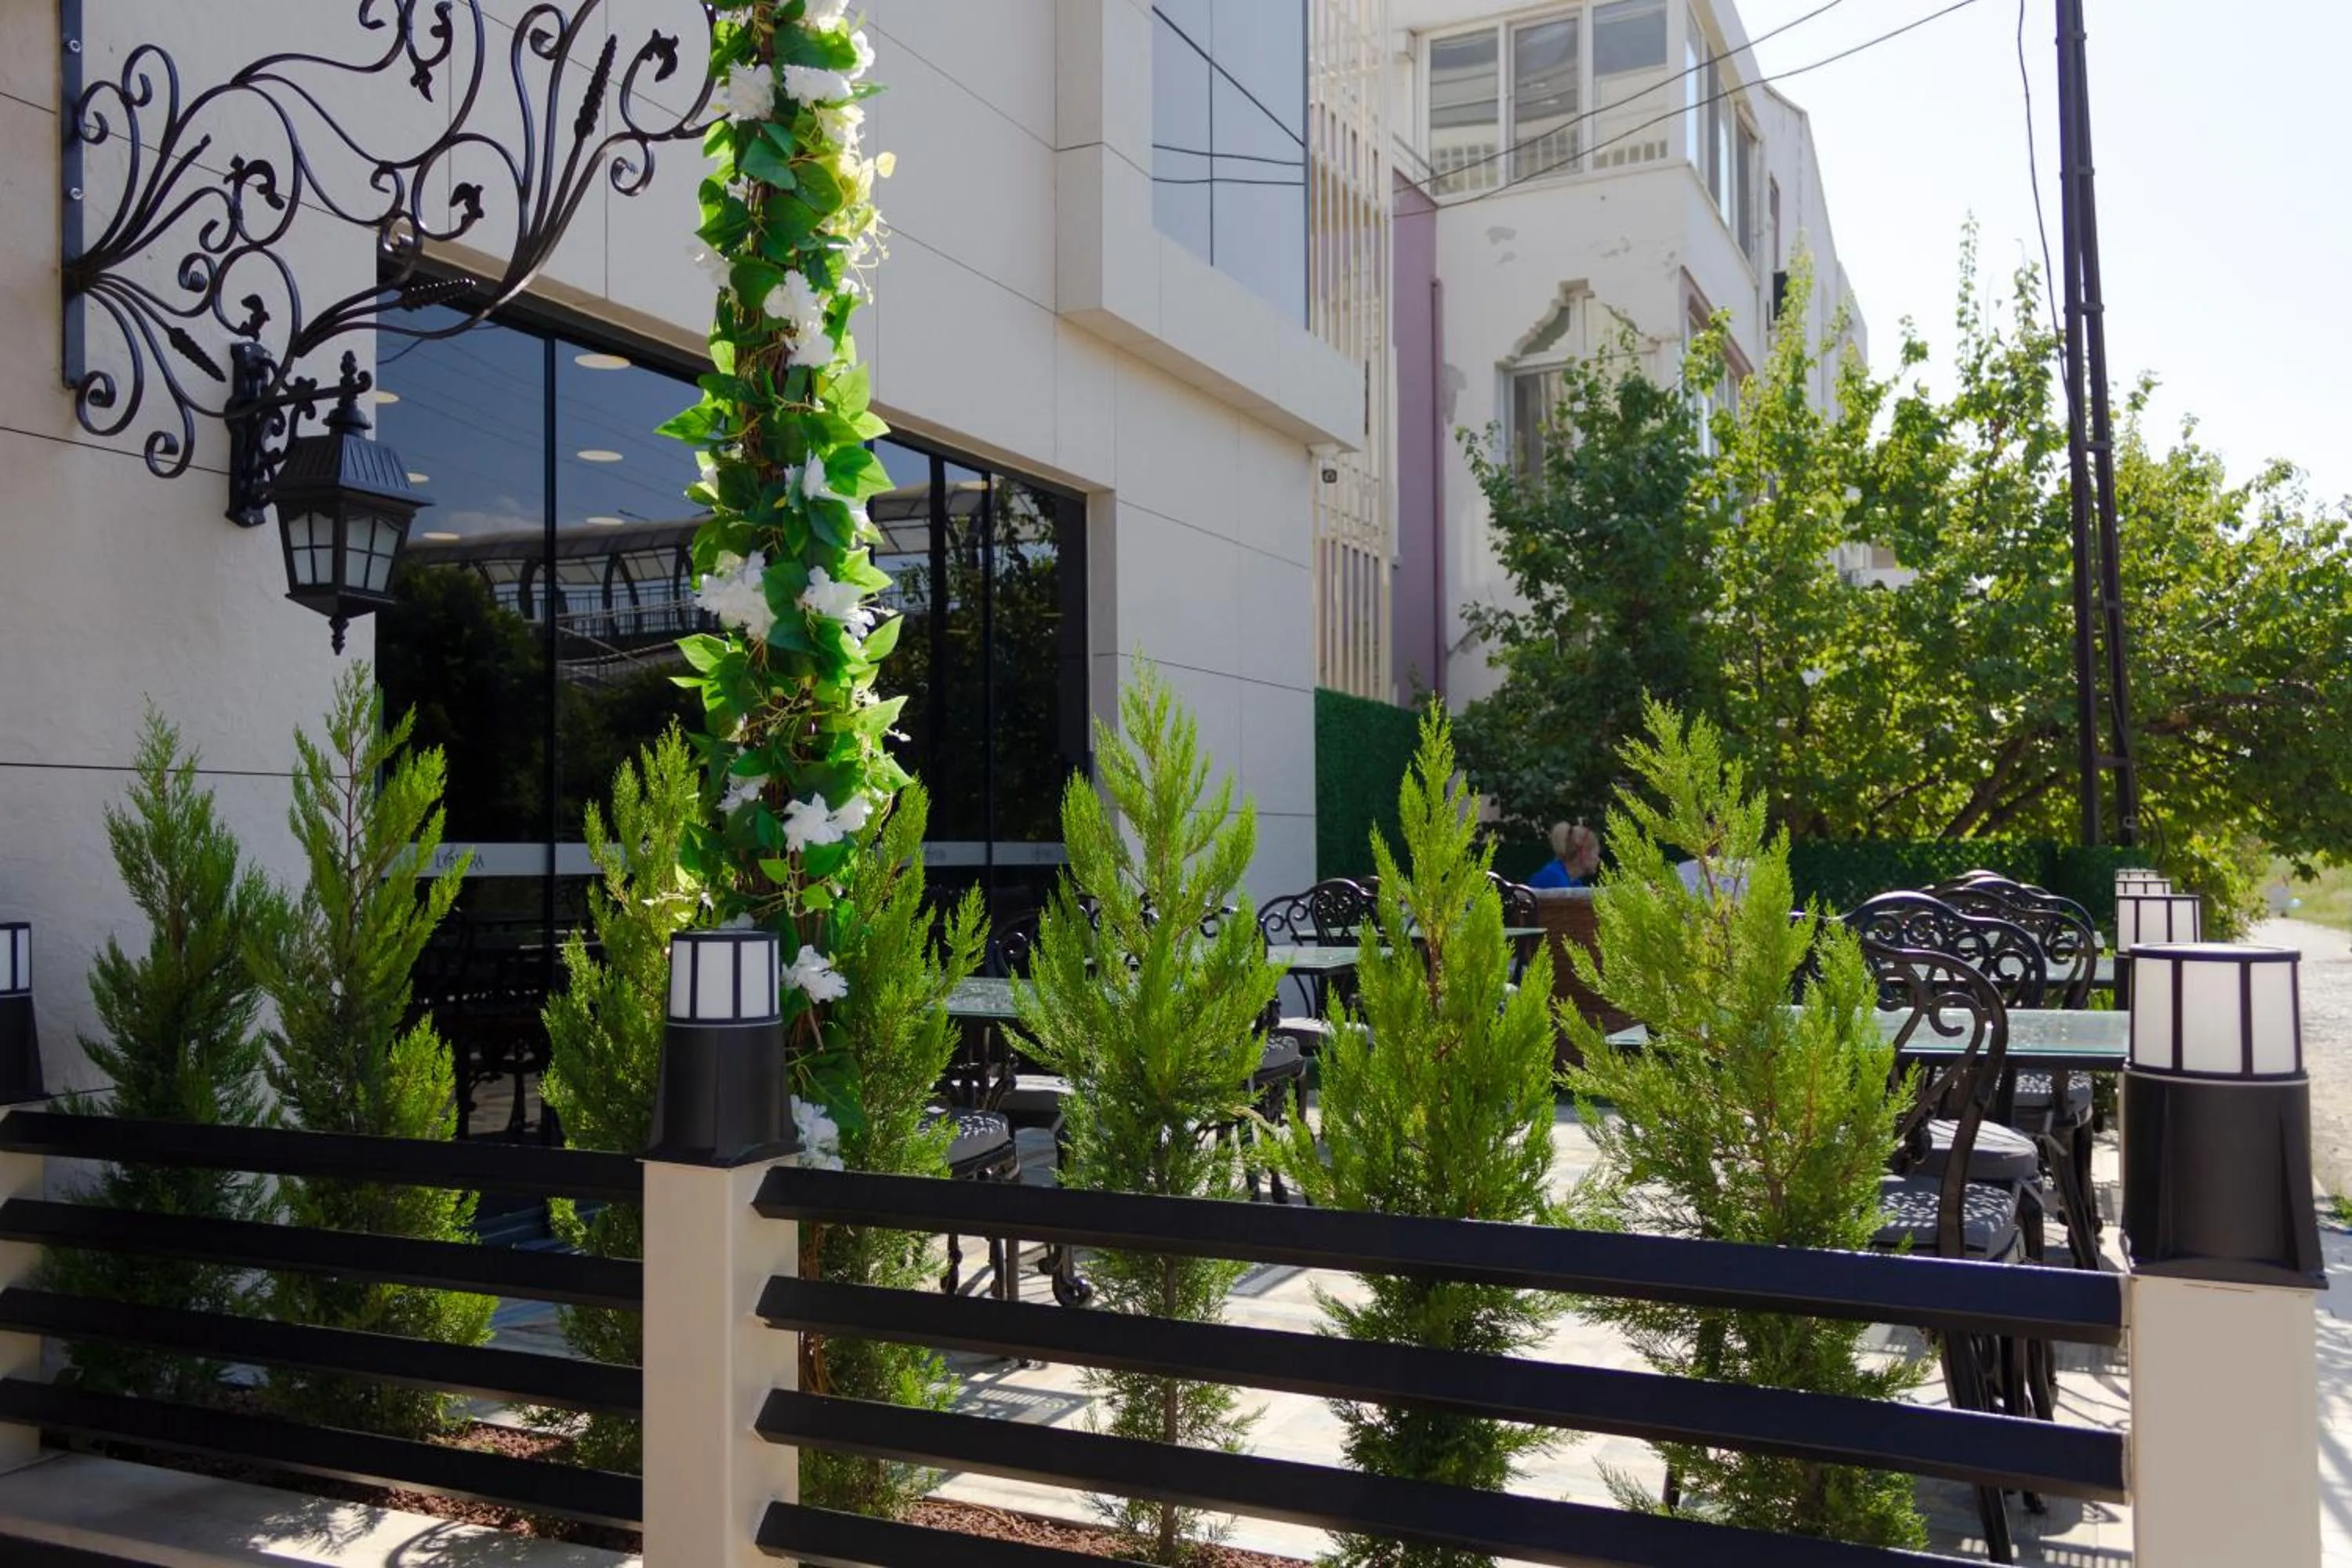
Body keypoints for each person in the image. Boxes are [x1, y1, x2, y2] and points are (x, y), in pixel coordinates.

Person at [1528, 822, 1599, 889]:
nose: (1598, 859)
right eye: (1595, 854)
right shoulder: (1555, 878)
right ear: (1582, 853)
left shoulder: (1573, 882)